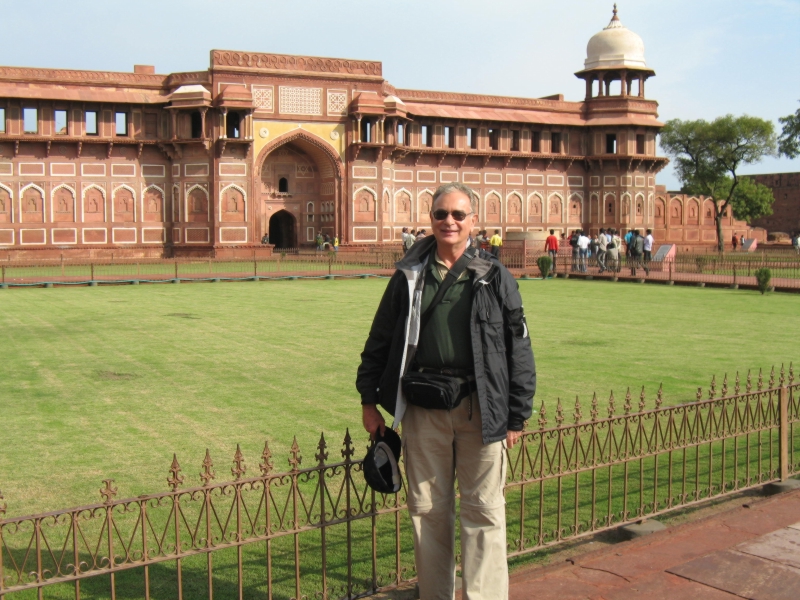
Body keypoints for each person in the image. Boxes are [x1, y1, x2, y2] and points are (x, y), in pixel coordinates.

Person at [356, 182, 535, 600]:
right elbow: (379, 338)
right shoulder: (409, 276)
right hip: (424, 409)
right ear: (430, 220)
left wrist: (517, 413)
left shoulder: (494, 276)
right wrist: (369, 400)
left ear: (474, 221)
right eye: (441, 214)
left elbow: (518, 345)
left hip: (481, 407)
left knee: (484, 512)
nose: (449, 221)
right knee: (428, 513)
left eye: (458, 214)